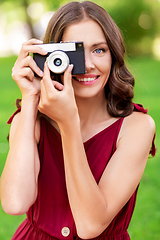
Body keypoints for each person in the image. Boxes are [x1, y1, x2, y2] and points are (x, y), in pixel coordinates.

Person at [0, 1, 156, 239]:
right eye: (73, 52)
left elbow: (90, 225)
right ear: (50, 56)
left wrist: (68, 123)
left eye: (99, 50)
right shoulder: (30, 120)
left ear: (113, 54)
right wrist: (30, 98)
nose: (88, 65)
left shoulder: (136, 127)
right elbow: (15, 203)